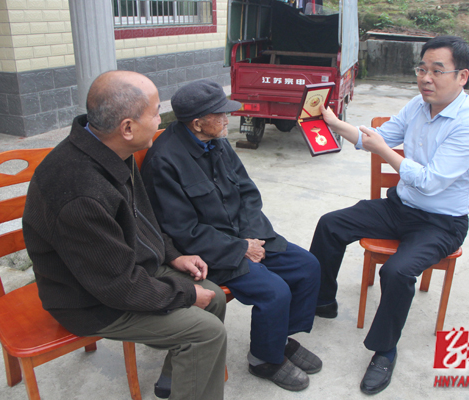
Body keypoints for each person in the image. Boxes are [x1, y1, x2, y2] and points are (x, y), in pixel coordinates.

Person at [22, 71, 227, 400]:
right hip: (90, 302)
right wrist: (186, 294)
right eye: (156, 112)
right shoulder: (79, 191)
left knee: (213, 295)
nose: (160, 121)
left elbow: (142, 220)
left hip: (125, 269)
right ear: (127, 127)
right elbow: (117, 287)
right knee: (206, 332)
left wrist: (173, 255)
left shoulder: (110, 150)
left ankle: (177, 379)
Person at [309, 36, 469, 395]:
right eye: (422, 69)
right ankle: (321, 300)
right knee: (331, 224)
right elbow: (375, 137)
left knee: (397, 270)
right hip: (399, 207)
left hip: (441, 223)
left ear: (462, 76)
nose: (426, 78)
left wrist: (384, 151)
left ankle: (385, 350)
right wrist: (332, 122)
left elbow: (431, 182)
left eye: (437, 71)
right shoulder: (419, 105)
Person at [140, 79, 322, 392]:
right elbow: (183, 232)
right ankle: (264, 359)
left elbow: (248, 193)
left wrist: (251, 239)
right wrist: (240, 248)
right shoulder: (164, 161)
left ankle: (278, 338)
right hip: (213, 252)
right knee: (274, 291)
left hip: (246, 235)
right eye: (221, 114)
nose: (228, 119)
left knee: (307, 266)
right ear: (198, 123)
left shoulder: (217, 141)